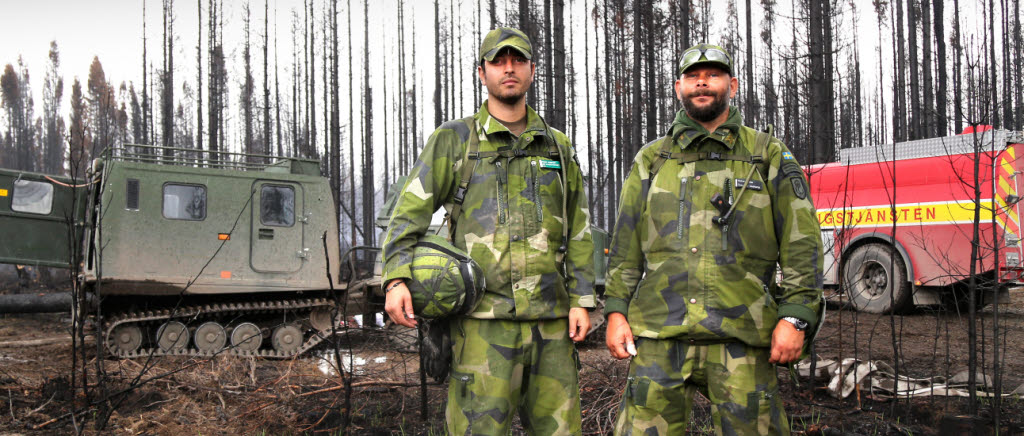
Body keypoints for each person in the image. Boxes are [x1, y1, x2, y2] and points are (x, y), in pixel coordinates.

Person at [381, 27, 595, 436]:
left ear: (533, 70)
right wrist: (396, 278)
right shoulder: (455, 141)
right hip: (480, 326)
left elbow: (579, 228)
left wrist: (582, 298)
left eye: (518, 61)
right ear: (482, 72)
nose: (508, 69)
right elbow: (408, 214)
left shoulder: (556, 147)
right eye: (498, 61)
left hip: (551, 327)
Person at [604, 43, 824, 435]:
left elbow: (801, 242)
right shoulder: (653, 159)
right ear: (678, 87)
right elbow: (625, 244)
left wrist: (796, 317)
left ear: (732, 85)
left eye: (713, 74)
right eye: (692, 76)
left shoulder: (766, 155)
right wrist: (616, 311)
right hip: (659, 334)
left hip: (742, 336)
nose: (702, 82)